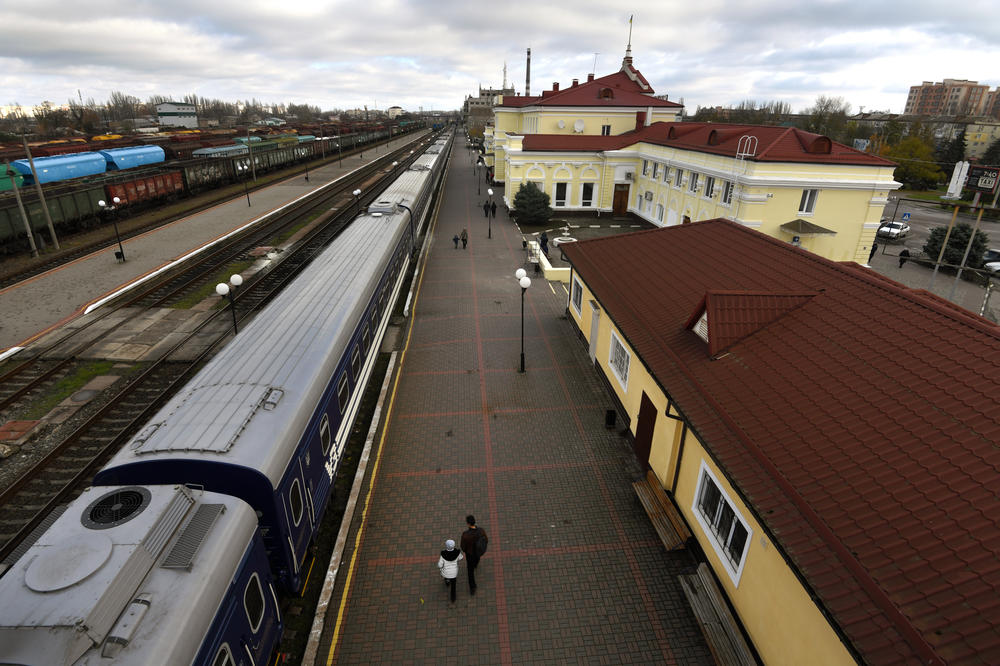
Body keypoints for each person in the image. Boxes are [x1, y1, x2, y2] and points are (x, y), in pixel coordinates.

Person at [460, 515, 488, 595]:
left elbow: (463, 546)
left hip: (470, 554)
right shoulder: (481, 530)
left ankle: (472, 587)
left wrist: (466, 550)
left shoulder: (465, 535)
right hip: (478, 552)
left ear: (468, 524)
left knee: (470, 571)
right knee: (477, 559)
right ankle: (476, 564)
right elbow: (486, 539)